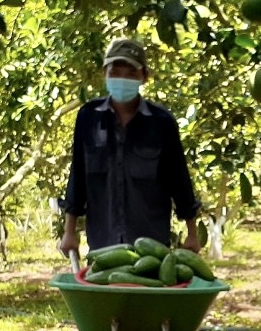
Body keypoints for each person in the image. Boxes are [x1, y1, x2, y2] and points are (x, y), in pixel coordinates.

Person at [59, 38, 202, 257]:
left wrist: (192, 233)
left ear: (144, 76)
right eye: (115, 72)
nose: (122, 79)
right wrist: (69, 232)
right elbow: (78, 176)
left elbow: (179, 179)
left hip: (151, 246)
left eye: (131, 73)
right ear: (104, 73)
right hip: (103, 244)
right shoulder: (88, 117)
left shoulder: (161, 122)